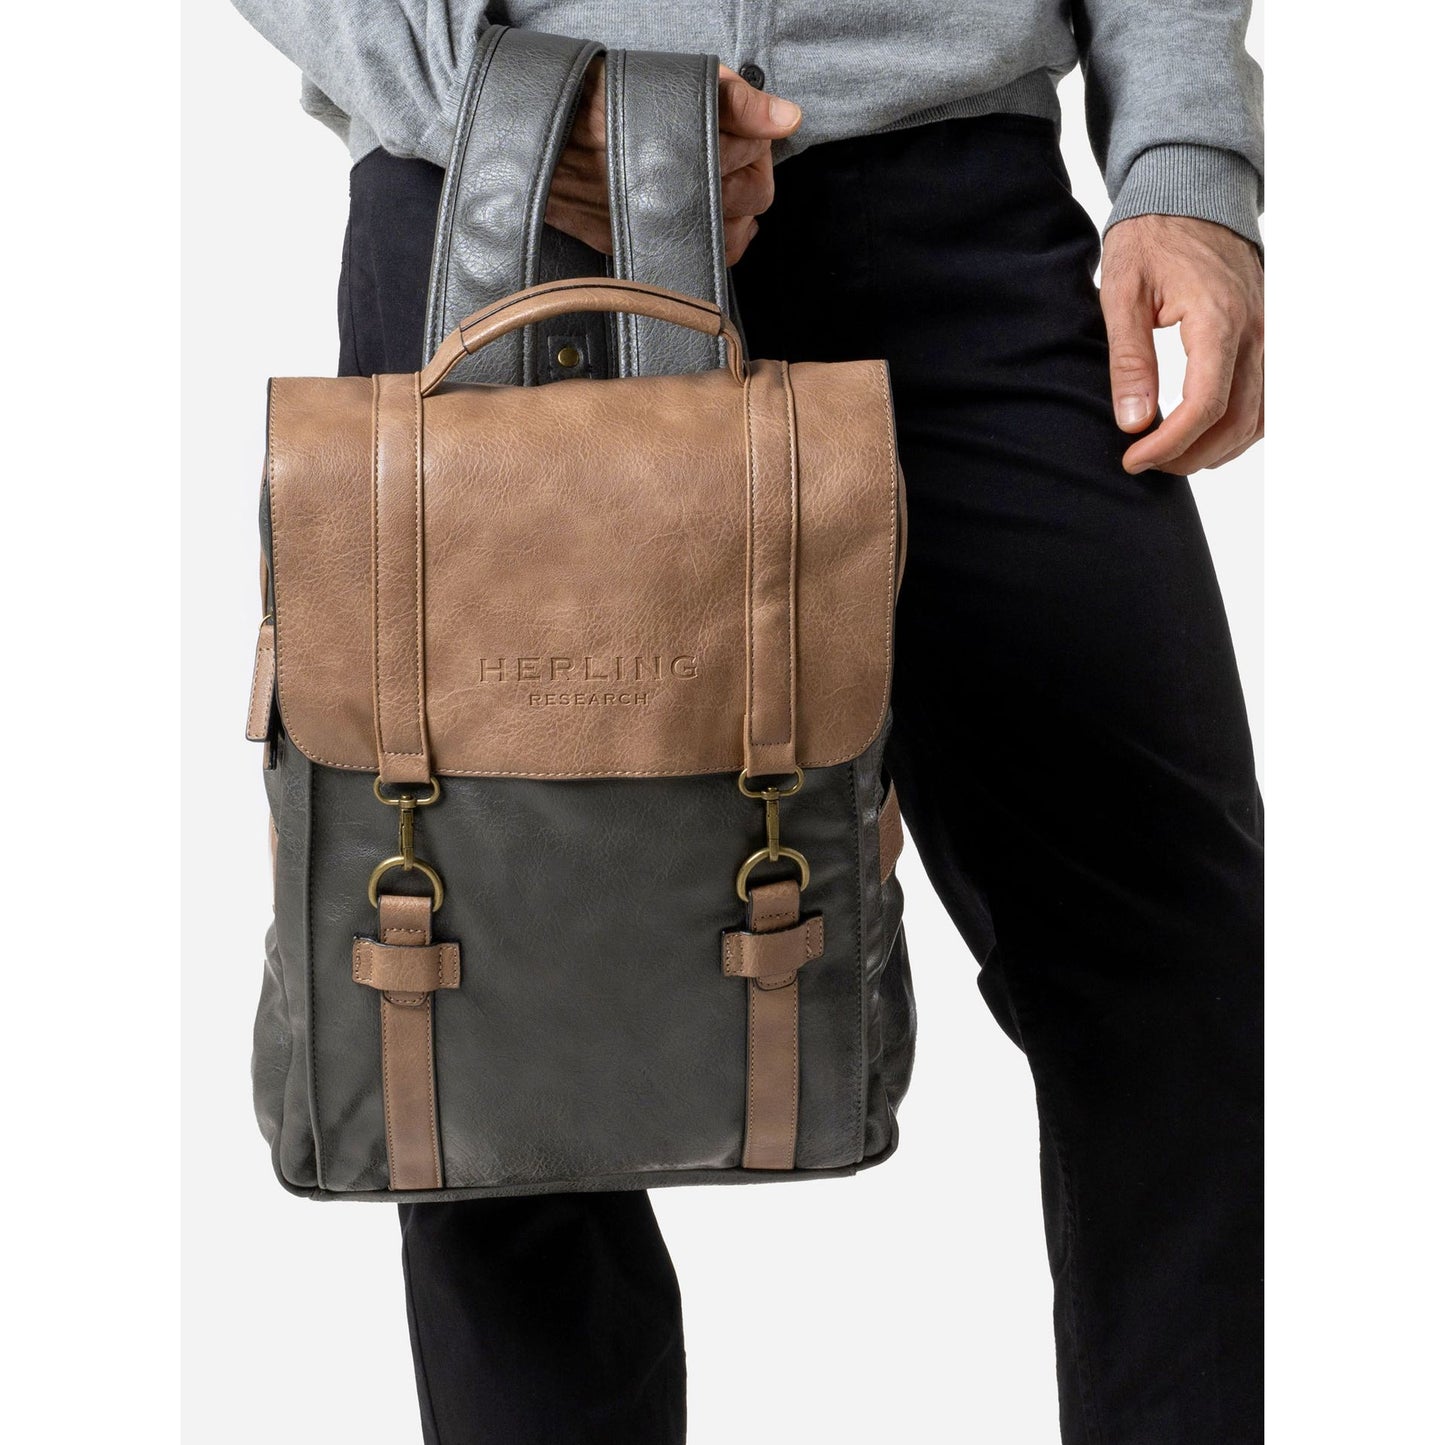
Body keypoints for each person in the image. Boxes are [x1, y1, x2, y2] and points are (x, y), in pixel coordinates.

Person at [233, 4, 1265, 1441]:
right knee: (483, 1022)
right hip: (511, 190)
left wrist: (1186, 171)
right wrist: (482, 92)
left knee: (1175, 970)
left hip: (956, 208)